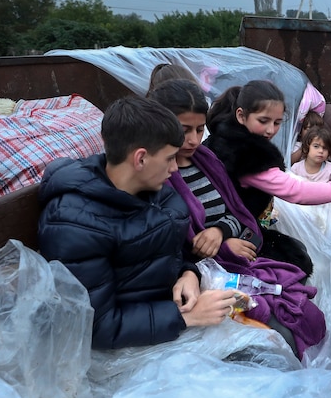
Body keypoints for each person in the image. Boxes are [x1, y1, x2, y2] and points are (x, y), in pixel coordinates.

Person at [37, 96, 238, 350]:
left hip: (161, 316)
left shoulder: (152, 191)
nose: (176, 168)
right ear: (140, 159)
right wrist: (186, 317)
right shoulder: (74, 223)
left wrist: (188, 273)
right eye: (169, 158)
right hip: (126, 344)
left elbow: (168, 252)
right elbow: (94, 325)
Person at [149, 78, 325, 358]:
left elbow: (236, 211)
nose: (194, 140)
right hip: (202, 271)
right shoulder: (157, 177)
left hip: (227, 256)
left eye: (199, 129)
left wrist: (221, 232)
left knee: (297, 298)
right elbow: (173, 241)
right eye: (184, 131)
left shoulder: (206, 161)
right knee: (279, 333)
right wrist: (222, 247)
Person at [204, 80, 331, 277]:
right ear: (241, 115)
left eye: (277, 123)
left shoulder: (225, 140)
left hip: (230, 228)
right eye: (263, 121)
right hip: (226, 233)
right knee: (295, 265)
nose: (271, 130)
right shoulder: (245, 156)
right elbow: (297, 191)